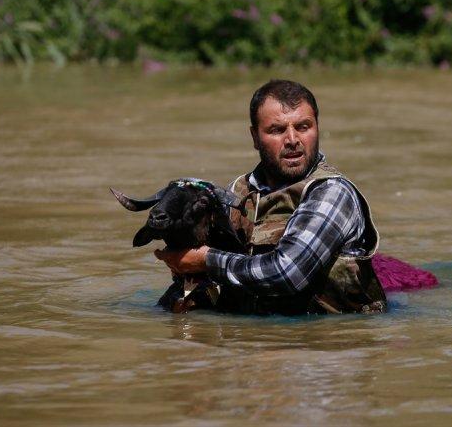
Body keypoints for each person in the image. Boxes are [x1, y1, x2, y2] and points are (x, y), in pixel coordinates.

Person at [154, 79, 387, 314]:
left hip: (331, 333)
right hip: (261, 330)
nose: (293, 140)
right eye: (277, 130)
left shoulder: (333, 192)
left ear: (317, 128)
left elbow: (287, 273)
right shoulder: (237, 191)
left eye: (303, 127)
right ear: (255, 137)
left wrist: (206, 260)